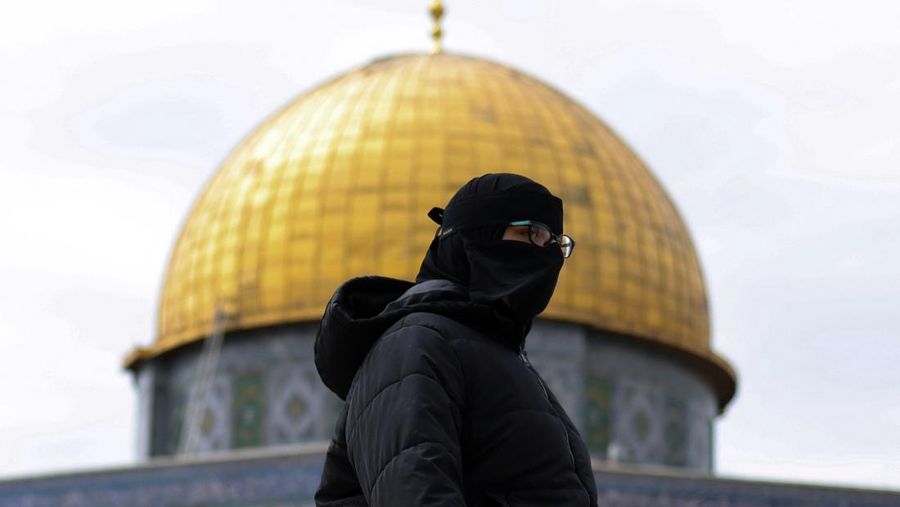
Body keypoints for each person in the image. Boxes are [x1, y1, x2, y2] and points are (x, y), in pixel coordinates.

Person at [314, 173, 598, 506]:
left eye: (555, 242)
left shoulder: (491, 355)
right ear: (477, 239)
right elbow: (414, 487)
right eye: (531, 234)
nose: (546, 253)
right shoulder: (416, 344)